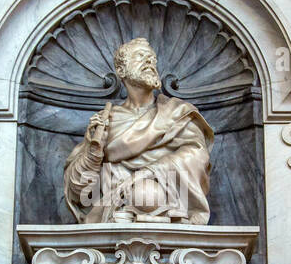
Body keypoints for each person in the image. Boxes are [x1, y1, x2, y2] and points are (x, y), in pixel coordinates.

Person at [63, 38, 213, 224]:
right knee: (143, 194)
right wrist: (93, 154)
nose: (150, 61)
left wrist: (150, 172)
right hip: (112, 212)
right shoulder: (105, 121)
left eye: (152, 58)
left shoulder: (177, 113)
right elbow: (78, 191)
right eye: (140, 56)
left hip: (166, 196)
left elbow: (197, 157)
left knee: (145, 193)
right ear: (121, 71)